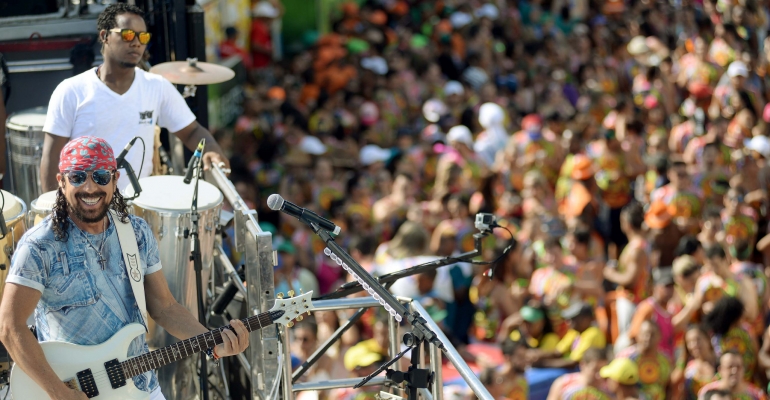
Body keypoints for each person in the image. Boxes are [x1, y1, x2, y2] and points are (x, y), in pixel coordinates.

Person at [0, 137, 248, 400]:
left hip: (140, 386)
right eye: (77, 177)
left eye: (100, 176)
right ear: (61, 182)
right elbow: (9, 327)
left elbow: (164, 308)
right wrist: (60, 393)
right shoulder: (39, 245)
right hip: (74, 390)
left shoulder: (136, 232)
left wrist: (211, 341)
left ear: (115, 179)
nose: (90, 187)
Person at [40, 4, 229, 193]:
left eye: (143, 37)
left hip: (136, 208)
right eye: (128, 35)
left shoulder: (156, 86)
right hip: (85, 204)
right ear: (104, 36)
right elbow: (51, 156)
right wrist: (52, 209)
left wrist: (211, 148)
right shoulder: (71, 90)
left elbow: (192, 131)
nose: (136, 42)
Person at [618, 321, 673, 400]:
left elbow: (668, 387)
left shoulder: (665, 360)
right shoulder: (626, 357)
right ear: (638, 335)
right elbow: (616, 385)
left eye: (652, 334)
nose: (648, 338)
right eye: (645, 334)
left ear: (660, 336)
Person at [546, 348, 612, 400]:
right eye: (595, 370)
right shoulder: (563, 383)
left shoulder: (609, 389)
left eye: (602, 370)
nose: (599, 375)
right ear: (583, 365)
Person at [698, 352, 767, 400]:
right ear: (720, 370)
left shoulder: (757, 395)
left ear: (743, 370)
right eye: (730, 367)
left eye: (738, 367)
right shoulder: (707, 393)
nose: (734, 371)